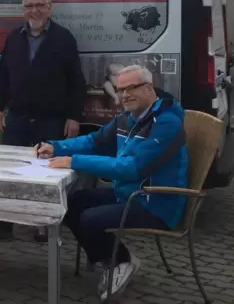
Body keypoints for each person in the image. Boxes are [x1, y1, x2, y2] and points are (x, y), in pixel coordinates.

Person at [37, 64, 188, 300]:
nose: (124, 95)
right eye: (120, 90)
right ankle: (114, 261)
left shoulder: (166, 124)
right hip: (129, 193)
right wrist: (57, 146)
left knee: (90, 219)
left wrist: (73, 161)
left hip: (156, 201)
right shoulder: (128, 117)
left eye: (131, 88)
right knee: (71, 203)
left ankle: (121, 262)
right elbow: (96, 140)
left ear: (148, 88)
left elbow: (134, 169)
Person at [0, 0, 86, 245]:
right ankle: (3, 225)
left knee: (45, 174)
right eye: (29, 6)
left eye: (40, 5)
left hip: (51, 118)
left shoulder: (64, 38)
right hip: (16, 116)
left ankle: (42, 225)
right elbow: (2, 76)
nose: (34, 10)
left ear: (49, 8)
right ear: (23, 10)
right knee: (8, 173)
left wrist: (73, 117)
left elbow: (76, 81)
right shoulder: (14, 37)